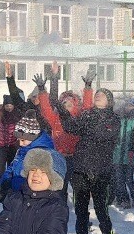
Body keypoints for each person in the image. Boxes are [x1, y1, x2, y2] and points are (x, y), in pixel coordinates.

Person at [61, 87, 121, 234]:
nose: (98, 96)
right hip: (81, 168)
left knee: (102, 210)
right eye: (97, 94)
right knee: (80, 209)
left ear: (109, 101)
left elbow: (103, 135)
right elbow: (71, 128)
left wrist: (86, 126)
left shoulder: (114, 118)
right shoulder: (86, 115)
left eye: (102, 95)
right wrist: (64, 113)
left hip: (101, 170)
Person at [36, 62, 94, 199]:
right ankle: (59, 210)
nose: (67, 105)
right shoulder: (55, 118)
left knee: (80, 190)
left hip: (77, 157)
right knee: (59, 187)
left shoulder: (79, 117)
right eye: (64, 103)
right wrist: (42, 90)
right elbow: (46, 108)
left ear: (75, 104)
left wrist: (88, 87)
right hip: (59, 156)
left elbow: (87, 107)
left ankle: (81, 215)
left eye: (70, 103)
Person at [0, 109, 55, 202]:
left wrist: (21, 190)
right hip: (16, 195)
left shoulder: (42, 153)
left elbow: (38, 179)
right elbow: (13, 167)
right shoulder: (23, 149)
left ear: (33, 137)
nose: (20, 143)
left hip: (30, 198)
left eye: (23, 140)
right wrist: (4, 183)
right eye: (19, 140)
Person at [112, 98, 134, 209]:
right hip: (117, 154)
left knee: (129, 179)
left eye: (131, 106)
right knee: (119, 179)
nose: (128, 108)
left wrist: (132, 150)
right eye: (127, 105)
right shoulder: (118, 119)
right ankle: (124, 199)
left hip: (130, 154)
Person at [0, 94, 23, 183]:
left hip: (13, 146)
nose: (9, 108)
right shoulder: (0, 114)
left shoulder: (18, 115)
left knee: (11, 167)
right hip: (1, 146)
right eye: (7, 106)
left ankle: (9, 185)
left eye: (10, 106)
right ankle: (0, 185)